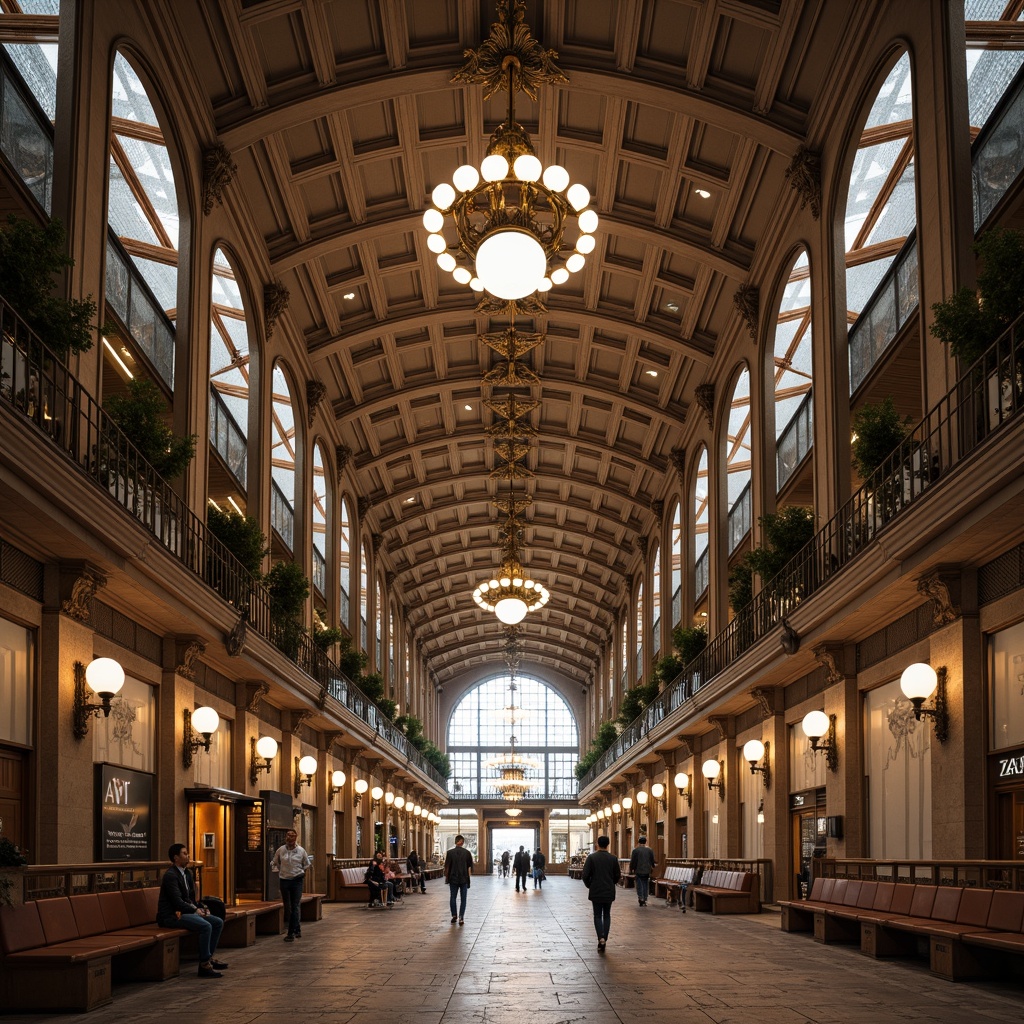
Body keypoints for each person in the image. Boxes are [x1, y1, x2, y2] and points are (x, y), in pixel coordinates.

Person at [156, 842, 227, 977]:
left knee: (217, 922)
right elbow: (177, 902)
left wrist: (202, 908)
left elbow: (192, 899)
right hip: (172, 916)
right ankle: (204, 965)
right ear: (176, 858)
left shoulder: (187, 873)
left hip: (186, 912)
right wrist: (195, 911)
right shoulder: (170, 875)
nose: (188, 855)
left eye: (187, 853)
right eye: (184, 853)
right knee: (205, 926)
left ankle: (209, 958)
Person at [271, 828, 312, 941]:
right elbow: (274, 861)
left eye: (292, 836)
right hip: (284, 880)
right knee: (287, 906)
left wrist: (301, 873)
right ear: (285, 837)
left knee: (295, 905)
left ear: (296, 837)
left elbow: (307, 864)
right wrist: (278, 870)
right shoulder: (281, 850)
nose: (290, 838)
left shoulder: (301, 851)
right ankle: (297, 928)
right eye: (288, 836)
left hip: (297, 880)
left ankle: (291, 933)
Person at [581, 835, 620, 952]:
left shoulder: (591, 858)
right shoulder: (613, 858)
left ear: (597, 844)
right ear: (608, 844)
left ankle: (600, 938)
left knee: (597, 915)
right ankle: (605, 938)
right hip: (608, 890)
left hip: (596, 890)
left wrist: (590, 885)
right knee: (607, 915)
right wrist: (611, 883)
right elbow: (617, 875)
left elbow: (585, 875)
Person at [444, 833, 473, 925]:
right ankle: (461, 917)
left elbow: (447, 867)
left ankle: (454, 915)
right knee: (463, 898)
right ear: (462, 842)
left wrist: (447, 878)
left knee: (453, 897)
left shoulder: (449, 853)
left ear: (455, 842)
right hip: (464, 878)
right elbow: (469, 867)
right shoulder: (467, 853)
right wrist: (469, 878)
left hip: (453, 879)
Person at [629, 834, 656, 906]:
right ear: (645, 842)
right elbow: (652, 860)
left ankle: (641, 897)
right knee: (645, 884)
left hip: (638, 870)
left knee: (639, 884)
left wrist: (631, 869)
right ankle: (645, 897)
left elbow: (633, 861)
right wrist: (653, 867)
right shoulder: (650, 850)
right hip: (647, 870)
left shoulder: (635, 850)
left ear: (638, 842)